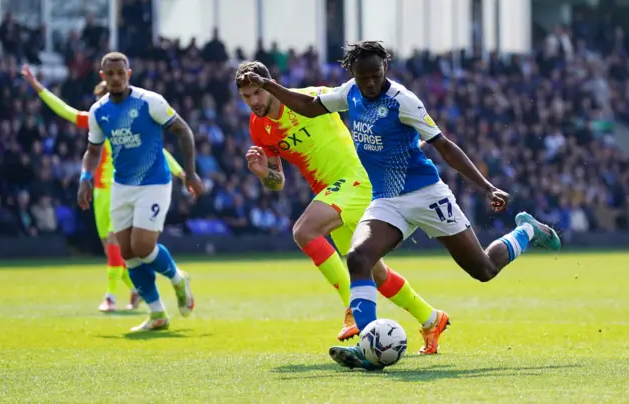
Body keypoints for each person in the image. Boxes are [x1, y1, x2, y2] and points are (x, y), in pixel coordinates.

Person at [236, 41, 561, 370]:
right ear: (354, 75)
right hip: (385, 199)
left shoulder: (404, 101)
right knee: (360, 259)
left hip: (425, 194)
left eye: (376, 75)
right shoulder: (349, 93)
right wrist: (270, 88)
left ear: (385, 70)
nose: (371, 84)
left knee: (484, 270)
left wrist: (487, 186)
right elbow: (309, 107)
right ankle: (369, 346)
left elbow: (444, 146)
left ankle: (525, 231)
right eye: (365, 78)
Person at [237, 61, 447, 352]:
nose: (253, 102)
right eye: (246, 97)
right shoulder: (259, 128)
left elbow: (365, 99)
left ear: (269, 85)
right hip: (334, 194)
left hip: (357, 179)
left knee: (304, 231)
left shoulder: (311, 97)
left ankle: (352, 306)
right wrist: (263, 174)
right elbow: (277, 183)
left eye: (257, 93)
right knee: (375, 273)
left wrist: (399, 135)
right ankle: (431, 318)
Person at [21, 65, 187, 313]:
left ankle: (110, 296)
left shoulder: (131, 122)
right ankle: (137, 288)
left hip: (123, 189)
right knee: (113, 250)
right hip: (100, 192)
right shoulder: (97, 120)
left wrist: (181, 172)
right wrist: (39, 89)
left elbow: (159, 152)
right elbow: (67, 112)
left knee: (115, 243)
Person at [78, 52, 205, 331]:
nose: (115, 78)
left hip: (154, 184)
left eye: (120, 73)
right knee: (127, 252)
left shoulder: (150, 102)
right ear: (103, 76)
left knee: (143, 246)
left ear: (129, 73)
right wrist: (85, 177)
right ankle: (157, 313)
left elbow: (183, 131)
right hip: (121, 187)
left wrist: (190, 172)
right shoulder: (99, 111)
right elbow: (93, 150)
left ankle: (177, 278)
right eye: (109, 74)